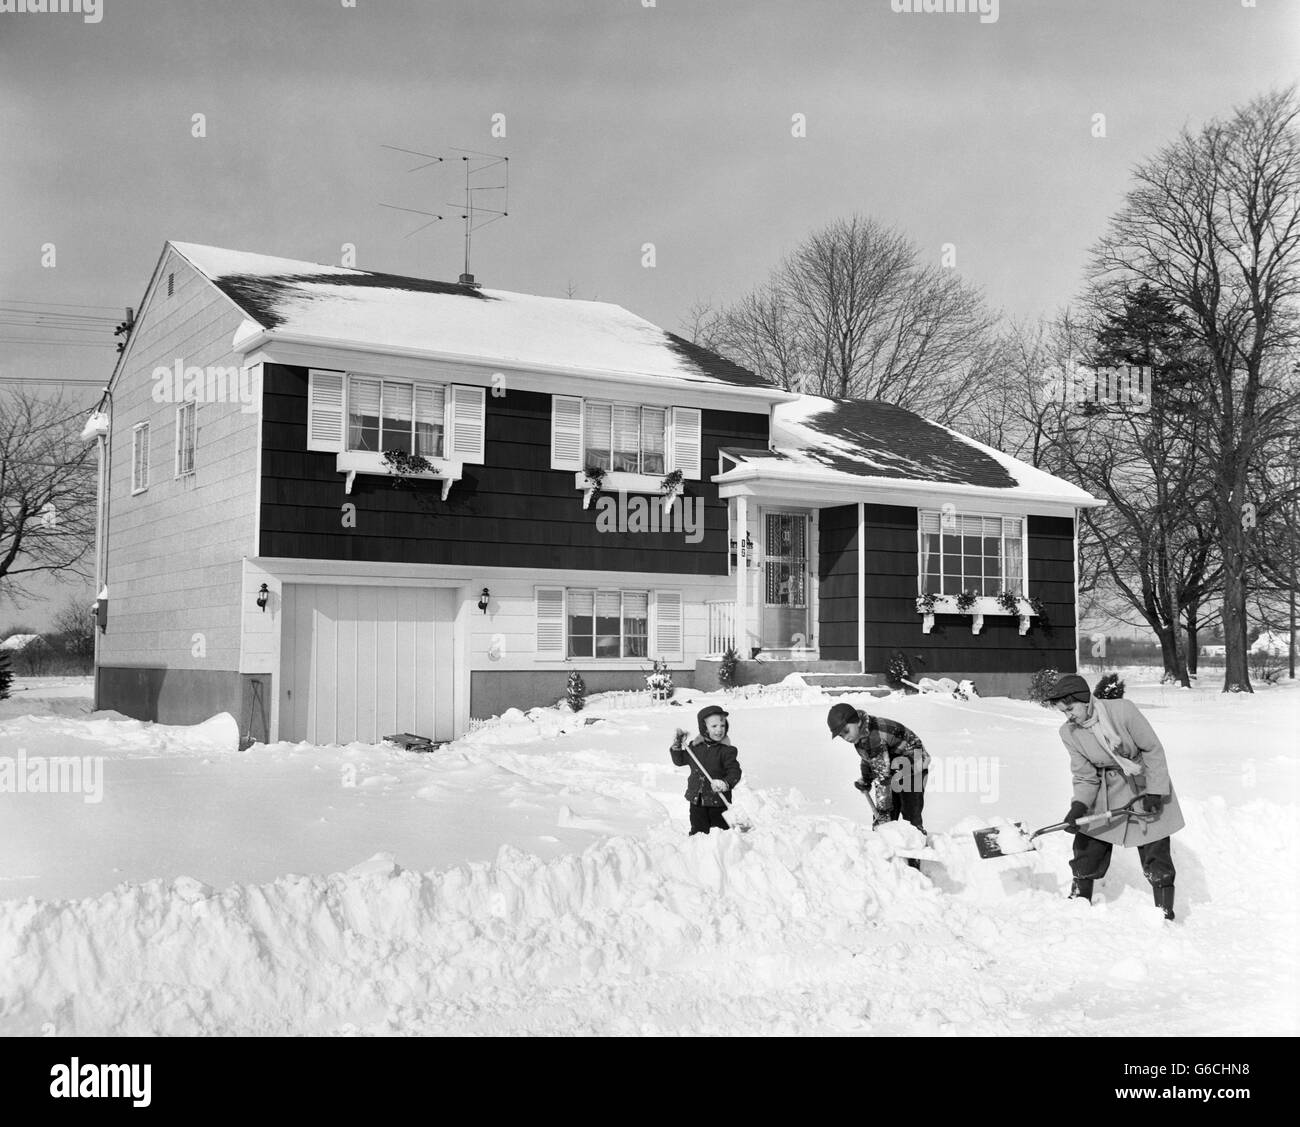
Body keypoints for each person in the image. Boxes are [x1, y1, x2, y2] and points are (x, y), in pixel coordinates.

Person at [1044, 674, 1185, 920]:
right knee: (1087, 842)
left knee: (1155, 849)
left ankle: (1165, 912)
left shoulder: (1122, 711)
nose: (1068, 716)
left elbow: (1152, 749)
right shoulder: (1069, 732)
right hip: (1105, 792)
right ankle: (1078, 902)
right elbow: (1085, 776)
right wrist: (1078, 806)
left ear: (1084, 699)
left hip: (1143, 784)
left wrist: (1155, 791)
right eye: (1063, 712)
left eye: (1070, 709)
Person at [826, 701, 930, 834]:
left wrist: (882, 814)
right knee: (889, 806)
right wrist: (866, 779)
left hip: (915, 761)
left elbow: (882, 778)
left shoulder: (874, 736)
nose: (846, 738)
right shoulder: (860, 737)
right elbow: (870, 760)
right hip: (894, 764)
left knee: (909, 808)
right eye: (841, 735)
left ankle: (916, 838)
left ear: (857, 722)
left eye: (846, 731)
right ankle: (888, 839)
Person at [670, 705, 743, 836]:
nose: (719, 730)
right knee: (698, 832)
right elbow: (680, 761)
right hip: (697, 800)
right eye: (714, 726)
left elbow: (735, 771)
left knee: (719, 834)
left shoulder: (726, 751)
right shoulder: (695, 747)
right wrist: (676, 748)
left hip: (718, 802)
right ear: (704, 728)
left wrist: (725, 783)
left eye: (722, 725)